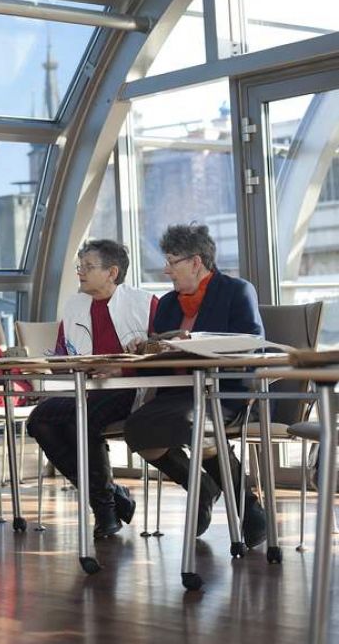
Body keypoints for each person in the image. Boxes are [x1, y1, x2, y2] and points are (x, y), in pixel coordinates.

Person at [123, 223, 267, 548]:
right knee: (136, 429)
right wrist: (143, 348)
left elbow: (251, 345)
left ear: (196, 262)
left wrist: (198, 343)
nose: (166, 270)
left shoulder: (237, 291)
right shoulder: (168, 304)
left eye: (172, 262)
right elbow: (157, 356)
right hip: (177, 393)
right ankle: (201, 488)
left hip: (224, 392)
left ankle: (247, 507)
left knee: (193, 422)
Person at [26, 239, 157, 539]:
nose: (80, 272)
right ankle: (110, 496)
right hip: (87, 389)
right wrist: (62, 364)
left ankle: (105, 510)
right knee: (39, 421)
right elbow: (61, 356)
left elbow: (160, 354)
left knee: (81, 421)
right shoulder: (74, 305)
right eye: (79, 266)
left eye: (88, 266)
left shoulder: (144, 303)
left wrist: (123, 369)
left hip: (131, 388)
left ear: (112, 272)